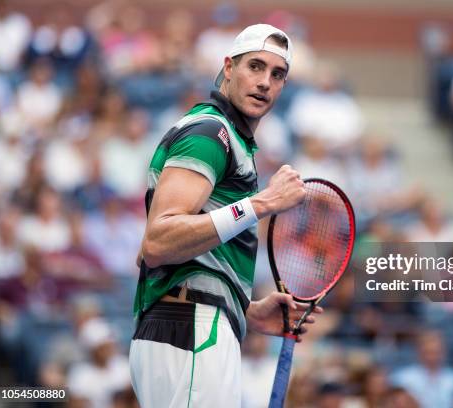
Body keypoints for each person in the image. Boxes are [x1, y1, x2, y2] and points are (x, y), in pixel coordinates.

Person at [129, 24, 319, 407]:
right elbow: (158, 243)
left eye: (277, 74)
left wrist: (243, 308)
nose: (265, 82)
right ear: (229, 67)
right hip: (194, 331)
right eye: (255, 67)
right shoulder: (211, 131)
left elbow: (164, 252)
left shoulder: (225, 136)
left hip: (186, 329)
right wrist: (261, 204)